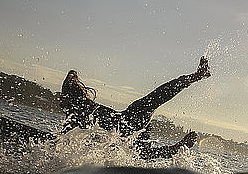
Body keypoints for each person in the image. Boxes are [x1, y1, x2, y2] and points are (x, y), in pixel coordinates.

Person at [60, 57, 211, 158]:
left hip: (127, 122)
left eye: (62, 96)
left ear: (68, 97)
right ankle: (177, 147)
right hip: (128, 125)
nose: (60, 100)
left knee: (144, 152)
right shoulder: (75, 116)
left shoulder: (77, 109)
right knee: (144, 154)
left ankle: (196, 76)